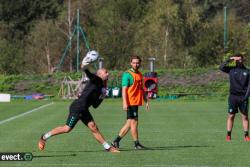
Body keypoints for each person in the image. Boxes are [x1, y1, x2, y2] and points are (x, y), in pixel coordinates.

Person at [38, 65, 120, 152]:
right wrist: (84, 66)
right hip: (77, 107)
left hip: (84, 109)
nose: (108, 73)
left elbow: (95, 106)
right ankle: (44, 137)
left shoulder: (100, 87)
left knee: (93, 127)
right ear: (99, 74)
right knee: (67, 129)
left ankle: (108, 148)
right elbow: (89, 74)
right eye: (106, 72)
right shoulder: (97, 80)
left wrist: (102, 96)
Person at [111, 55, 150, 149]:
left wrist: (146, 101)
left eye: (137, 63)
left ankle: (115, 142)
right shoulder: (127, 74)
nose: (136, 64)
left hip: (136, 102)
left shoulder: (140, 74)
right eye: (134, 63)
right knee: (134, 122)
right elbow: (124, 90)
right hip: (130, 102)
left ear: (140, 63)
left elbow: (142, 89)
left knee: (129, 123)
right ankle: (136, 144)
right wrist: (124, 102)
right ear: (130, 63)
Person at [219, 53, 250, 141]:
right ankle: (228, 135)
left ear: (243, 60)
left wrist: (246, 96)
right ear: (235, 60)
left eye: (241, 59)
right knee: (231, 116)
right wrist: (230, 59)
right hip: (233, 97)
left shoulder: (247, 71)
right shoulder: (231, 70)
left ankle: (246, 136)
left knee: (245, 117)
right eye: (237, 59)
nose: (239, 60)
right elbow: (221, 67)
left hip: (243, 97)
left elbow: (249, 86)